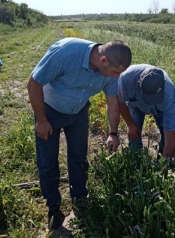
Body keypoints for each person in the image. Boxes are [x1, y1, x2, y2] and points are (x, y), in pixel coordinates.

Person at [27, 37, 132, 230]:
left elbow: (112, 103)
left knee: (78, 157)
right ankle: (53, 207)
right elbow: (34, 83)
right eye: (116, 72)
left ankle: (80, 201)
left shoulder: (110, 72)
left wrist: (113, 132)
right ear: (103, 61)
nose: (117, 77)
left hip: (78, 112)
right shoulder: (66, 53)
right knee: (47, 159)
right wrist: (41, 121)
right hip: (49, 110)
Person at [117, 64, 175, 159]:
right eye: (150, 96)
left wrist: (164, 168)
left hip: (160, 109)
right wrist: (130, 125)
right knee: (134, 135)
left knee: (165, 136)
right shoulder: (126, 79)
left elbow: (170, 139)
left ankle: (162, 160)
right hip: (135, 105)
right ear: (139, 84)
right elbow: (120, 102)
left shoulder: (169, 95)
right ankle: (135, 162)